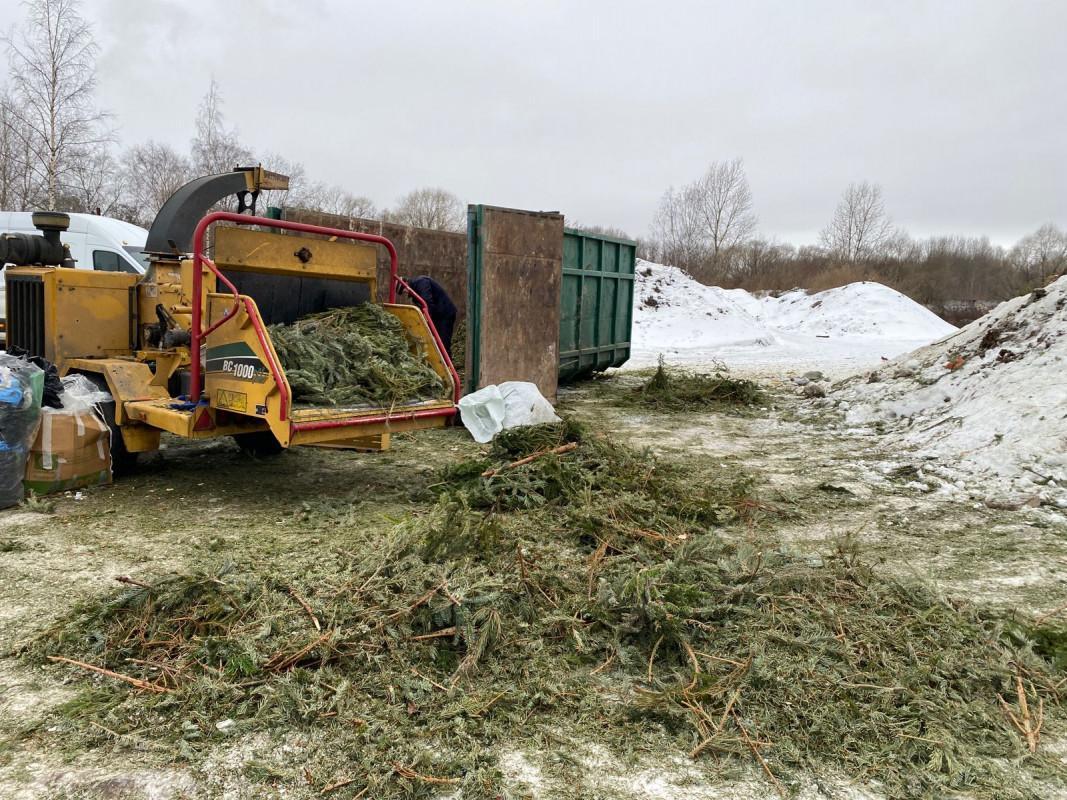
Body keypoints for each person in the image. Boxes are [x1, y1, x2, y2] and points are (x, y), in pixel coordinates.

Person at [402, 275, 458, 360]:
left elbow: (427, 302)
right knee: (435, 342)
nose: (405, 292)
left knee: (443, 343)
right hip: (437, 316)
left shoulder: (422, 282)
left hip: (444, 314)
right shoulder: (415, 292)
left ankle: (448, 368)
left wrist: (427, 319)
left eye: (404, 289)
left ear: (406, 283)